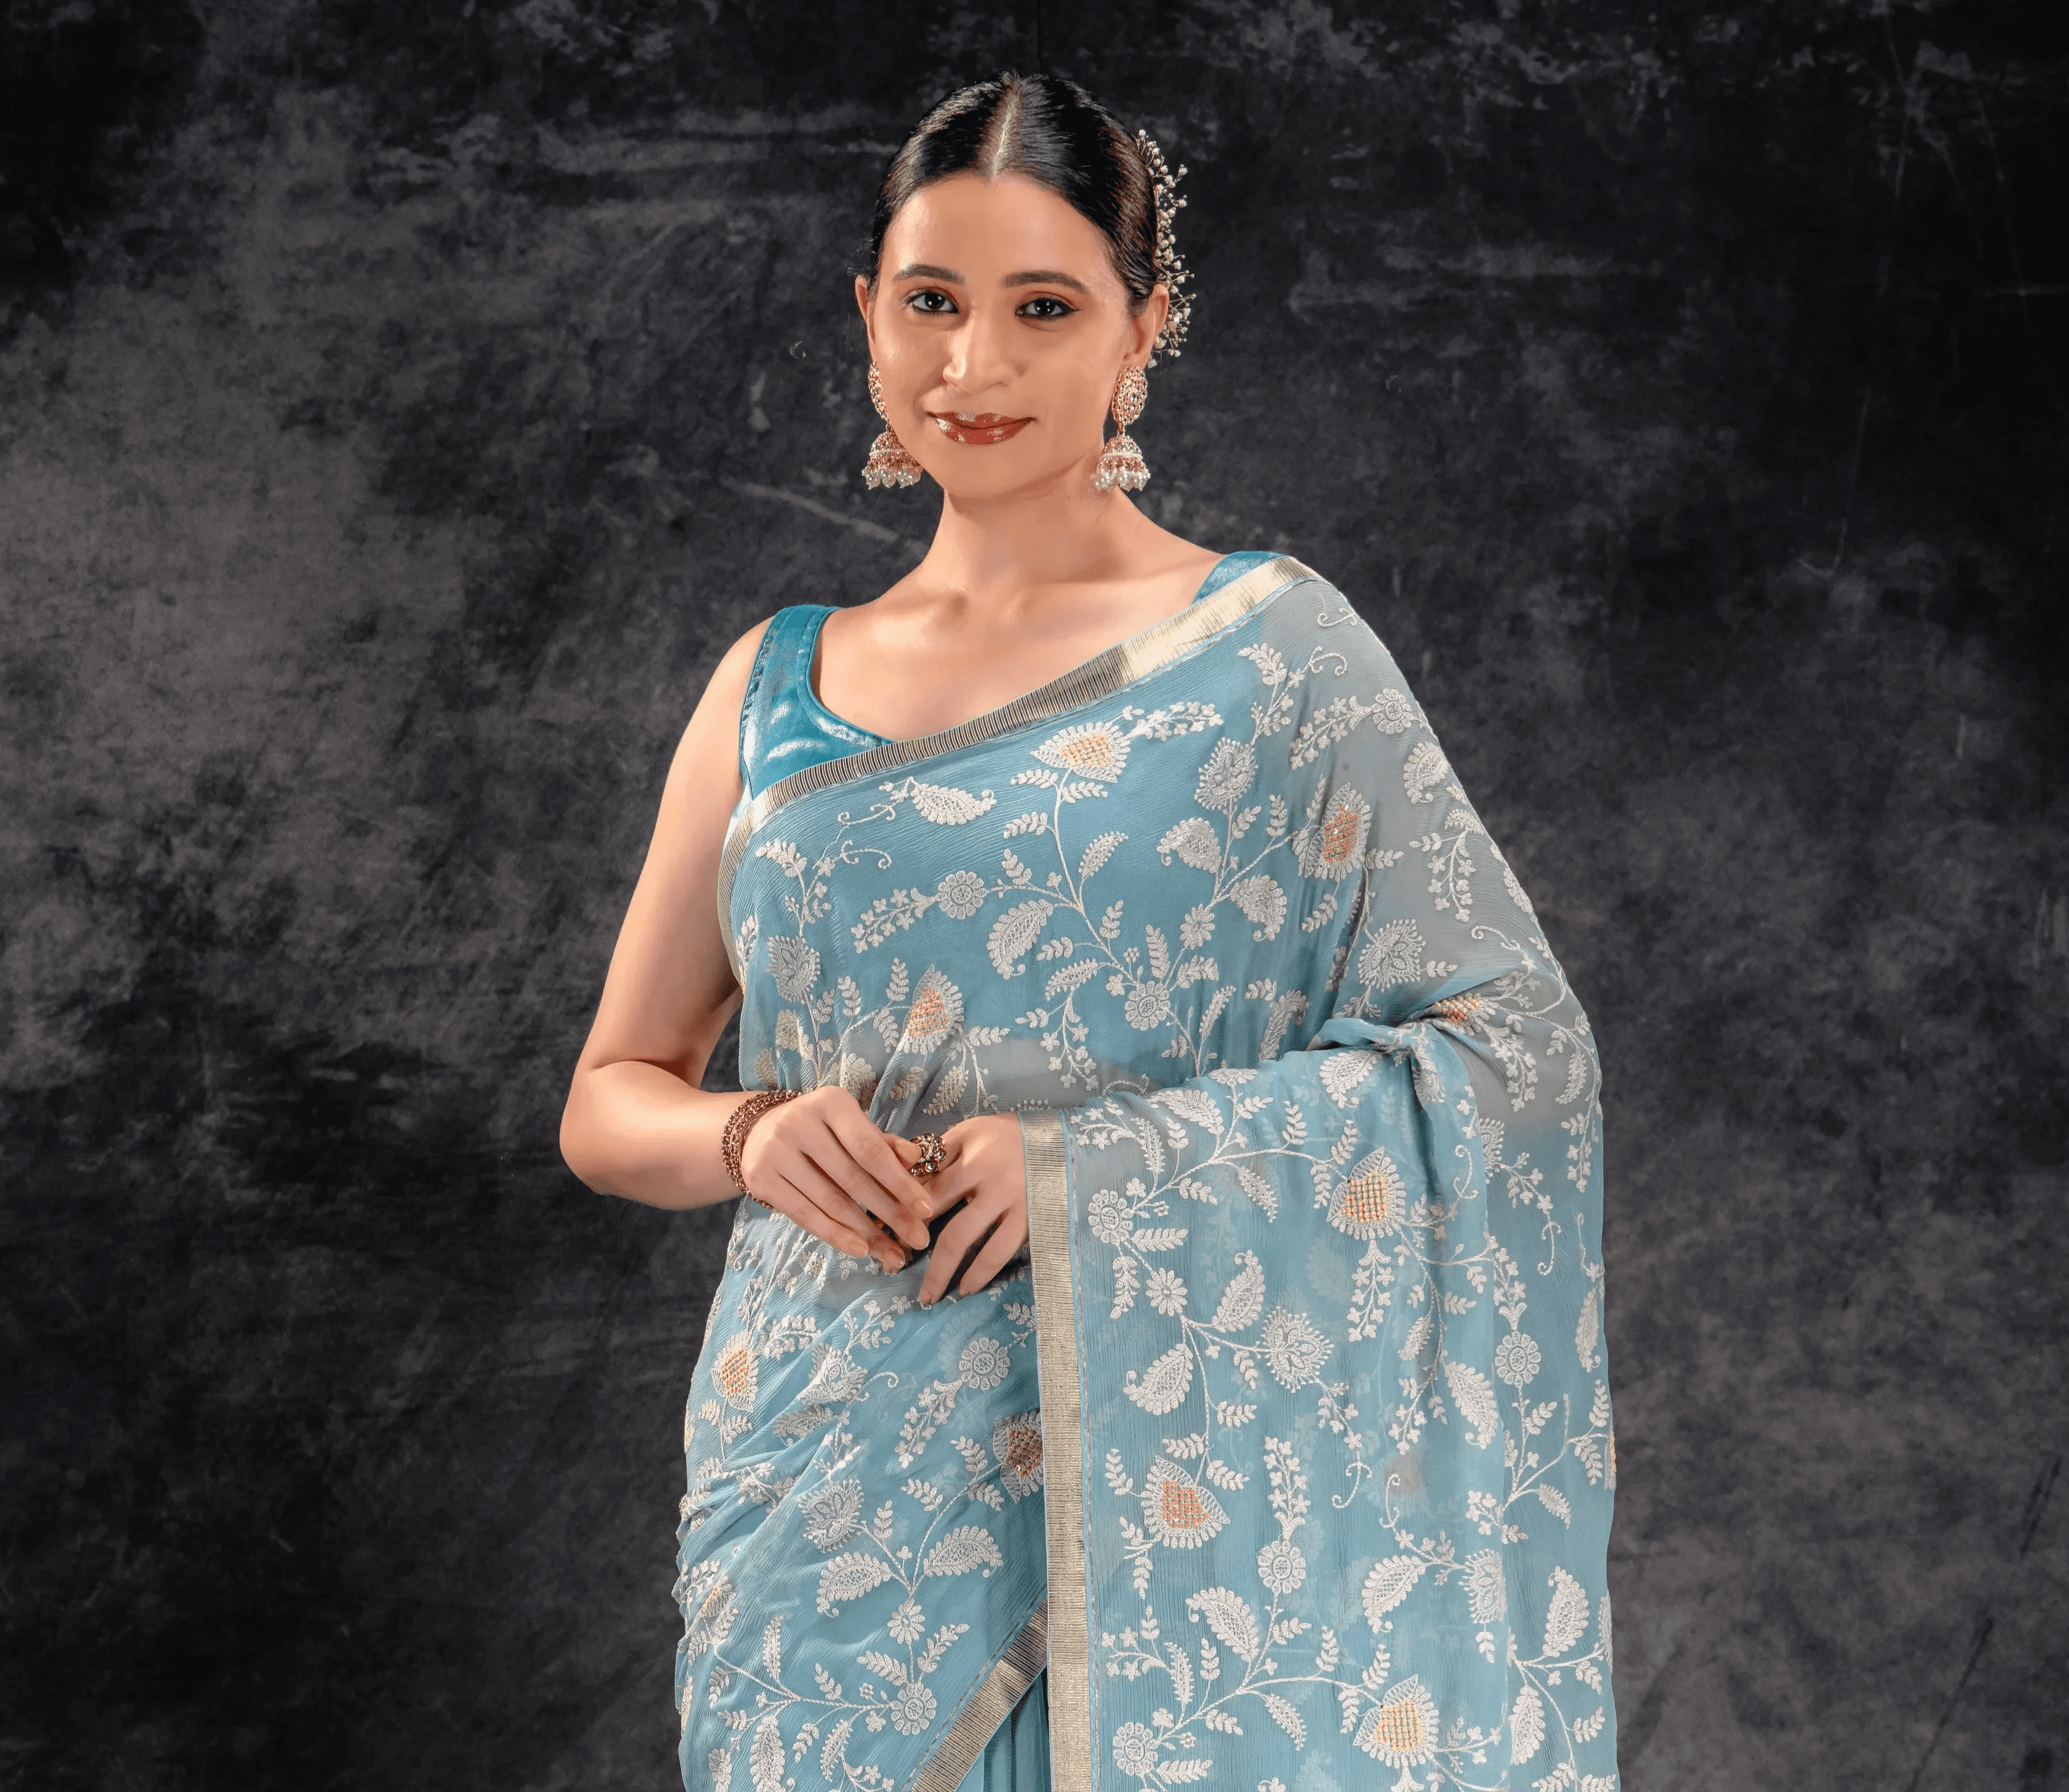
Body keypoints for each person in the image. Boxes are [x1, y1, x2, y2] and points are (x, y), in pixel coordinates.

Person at [561, 71, 1619, 1792]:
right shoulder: (768, 688)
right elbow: (613, 1090)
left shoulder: (1272, 656)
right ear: (868, 320)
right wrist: (753, 1134)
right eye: (932, 303)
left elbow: (1513, 1058)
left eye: (1041, 308)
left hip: (1163, 1510)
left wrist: (1098, 1173)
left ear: (1146, 329)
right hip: (824, 1515)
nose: (972, 366)